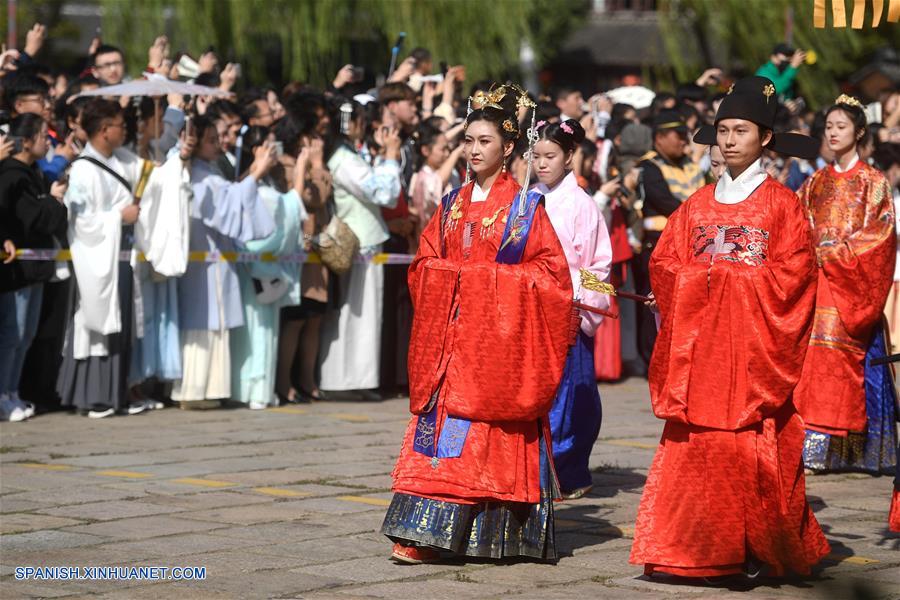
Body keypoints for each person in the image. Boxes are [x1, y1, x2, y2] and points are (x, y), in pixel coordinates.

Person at [630, 76, 829, 578]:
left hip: (750, 352)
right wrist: (701, 279)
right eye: (722, 131)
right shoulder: (695, 205)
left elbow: (796, 278)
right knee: (694, 442)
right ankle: (686, 548)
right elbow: (666, 262)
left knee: (748, 445)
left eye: (741, 130)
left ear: (764, 138)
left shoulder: (783, 205)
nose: (729, 140)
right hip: (701, 354)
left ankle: (749, 547)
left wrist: (723, 278)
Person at [381, 84, 574, 564]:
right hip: (449, 349)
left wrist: (481, 280)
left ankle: (486, 533)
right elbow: (423, 263)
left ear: (508, 148)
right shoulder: (451, 205)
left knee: (477, 437)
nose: (472, 150)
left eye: (483, 141)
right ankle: (424, 532)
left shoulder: (525, 211)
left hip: (494, 351)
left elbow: (552, 279)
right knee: (438, 440)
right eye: (468, 140)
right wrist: (446, 277)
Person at [794, 95, 897, 475]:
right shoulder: (815, 182)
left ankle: (848, 447)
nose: (834, 133)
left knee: (840, 360)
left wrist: (837, 253)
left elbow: (883, 234)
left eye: (842, 126)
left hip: (849, 287)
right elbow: (796, 224)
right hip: (815, 284)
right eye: (829, 127)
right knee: (809, 361)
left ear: (859, 132)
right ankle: (813, 444)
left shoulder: (874, 182)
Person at [171, 115, 277, 409]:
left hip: (215, 257)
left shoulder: (209, 172)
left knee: (213, 322)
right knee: (203, 321)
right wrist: (255, 174)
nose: (217, 145)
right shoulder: (198, 175)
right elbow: (227, 206)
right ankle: (193, 390)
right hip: (204, 260)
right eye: (210, 140)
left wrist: (252, 174)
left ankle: (208, 389)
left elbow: (229, 197)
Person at [533, 118, 613, 499]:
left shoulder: (582, 204)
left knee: (571, 393)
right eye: (536, 156)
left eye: (550, 156)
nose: (542, 164)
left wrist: (579, 294)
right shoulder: (527, 199)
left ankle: (569, 468)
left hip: (569, 310)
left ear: (569, 157)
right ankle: (536, 467)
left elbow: (599, 266)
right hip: (532, 308)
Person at [56, 99, 146, 418]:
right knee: (94, 323)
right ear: (105, 130)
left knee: (120, 324)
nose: (125, 132)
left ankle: (117, 392)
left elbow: (152, 174)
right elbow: (81, 220)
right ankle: (93, 394)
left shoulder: (122, 160)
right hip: (95, 258)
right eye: (120, 126)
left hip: (119, 258)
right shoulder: (82, 169)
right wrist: (118, 217)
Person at [318, 100, 401, 399]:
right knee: (356, 314)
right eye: (361, 121)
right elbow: (383, 192)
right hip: (358, 239)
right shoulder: (343, 158)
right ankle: (343, 380)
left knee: (365, 315)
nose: (364, 126)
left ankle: (359, 379)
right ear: (349, 124)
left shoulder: (348, 155)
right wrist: (391, 157)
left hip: (365, 238)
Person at [229, 127, 310, 409]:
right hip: (255, 266)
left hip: (262, 268)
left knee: (261, 329)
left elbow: (289, 208)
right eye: (267, 145)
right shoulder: (252, 186)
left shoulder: (263, 186)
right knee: (257, 330)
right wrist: (300, 169)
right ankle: (255, 390)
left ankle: (254, 389)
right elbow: (289, 212)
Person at [0, 114, 68, 421]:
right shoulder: (12, 174)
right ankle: (3, 393)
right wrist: (53, 202)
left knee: (26, 335)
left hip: (35, 267)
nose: (47, 140)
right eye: (42, 135)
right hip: (17, 270)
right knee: (13, 332)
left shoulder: (32, 173)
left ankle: (12, 391)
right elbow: (33, 216)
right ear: (25, 141)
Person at [634, 110, 704, 365]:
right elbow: (664, 201)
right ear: (660, 137)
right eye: (678, 136)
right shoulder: (648, 166)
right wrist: (699, 213)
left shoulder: (691, 165)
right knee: (653, 301)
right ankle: (652, 358)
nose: (684, 141)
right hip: (657, 242)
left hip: (691, 243)